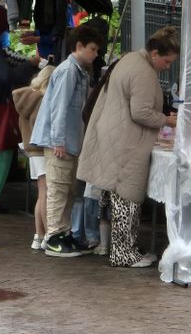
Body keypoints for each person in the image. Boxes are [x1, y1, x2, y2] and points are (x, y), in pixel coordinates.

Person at [78, 26, 179, 267]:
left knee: (118, 198)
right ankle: (124, 253)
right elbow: (141, 112)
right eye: (166, 61)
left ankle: (123, 249)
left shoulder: (130, 60)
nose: (167, 67)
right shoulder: (143, 71)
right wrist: (167, 120)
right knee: (127, 198)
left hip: (115, 138)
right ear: (154, 53)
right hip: (127, 143)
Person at [29, 24, 103, 257]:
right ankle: (54, 235)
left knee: (67, 189)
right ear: (79, 46)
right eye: (93, 49)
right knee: (58, 187)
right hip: (60, 142)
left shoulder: (78, 71)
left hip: (69, 140)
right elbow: (59, 108)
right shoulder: (68, 71)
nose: (96, 54)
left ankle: (63, 232)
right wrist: (58, 141)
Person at [13, 65, 56, 251]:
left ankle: (39, 235)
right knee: (47, 193)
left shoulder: (27, 98)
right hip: (42, 148)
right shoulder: (43, 99)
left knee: (41, 193)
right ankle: (49, 237)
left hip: (31, 150)